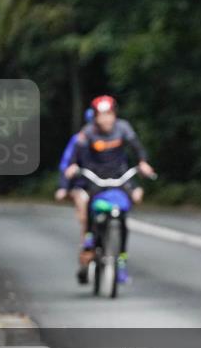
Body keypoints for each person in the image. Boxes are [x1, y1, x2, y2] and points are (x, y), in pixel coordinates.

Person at [64, 96, 155, 284]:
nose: (106, 119)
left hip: (118, 176)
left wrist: (143, 163)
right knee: (90, 201)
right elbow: (76, 154)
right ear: (95, 117)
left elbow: (137, 148)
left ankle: (120, 262)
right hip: (96, 176)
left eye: (109, 115)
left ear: (115, 115)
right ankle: (89, 236)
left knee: (123, 214)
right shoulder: (88, 132)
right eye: (101, 115)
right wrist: (72, 166)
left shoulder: (123, 128)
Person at [55, 108, 94, 277]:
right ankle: (85, 257)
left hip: (104, 186)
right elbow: (67, 165)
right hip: (82, 185)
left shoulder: (113, 138)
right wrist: (64, 186)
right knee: (86, 219)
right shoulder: (79, 140)